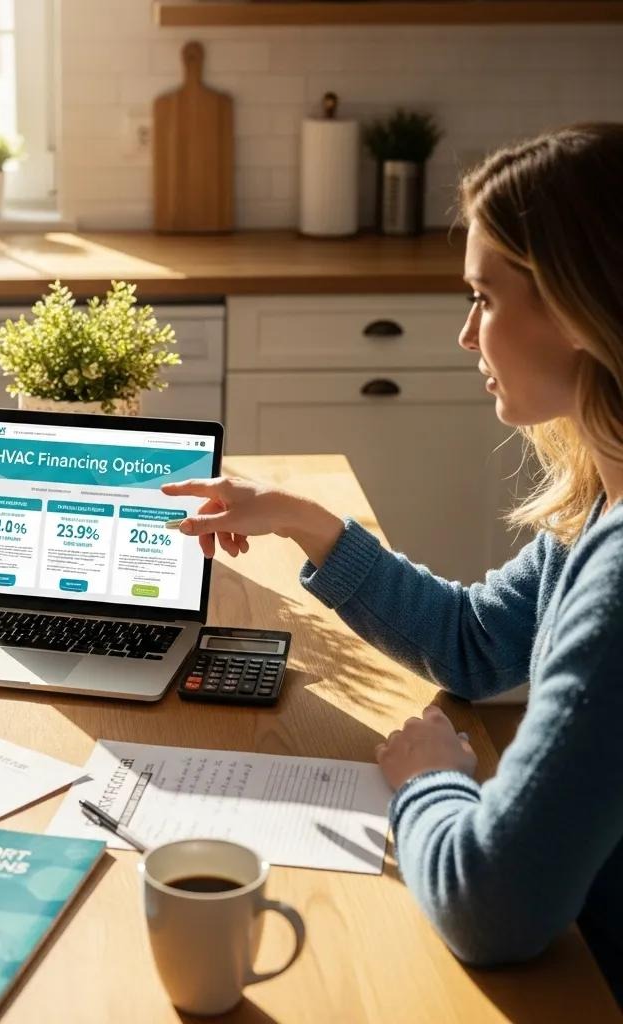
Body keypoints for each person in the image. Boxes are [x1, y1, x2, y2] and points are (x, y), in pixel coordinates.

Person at [163, 123, 623, 1001]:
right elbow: (477, 642)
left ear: (573, 306)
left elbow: (491, 906)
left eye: (484, 298)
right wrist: (310, 525)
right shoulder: (602, 502)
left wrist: (432, 781)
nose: (465, 335)